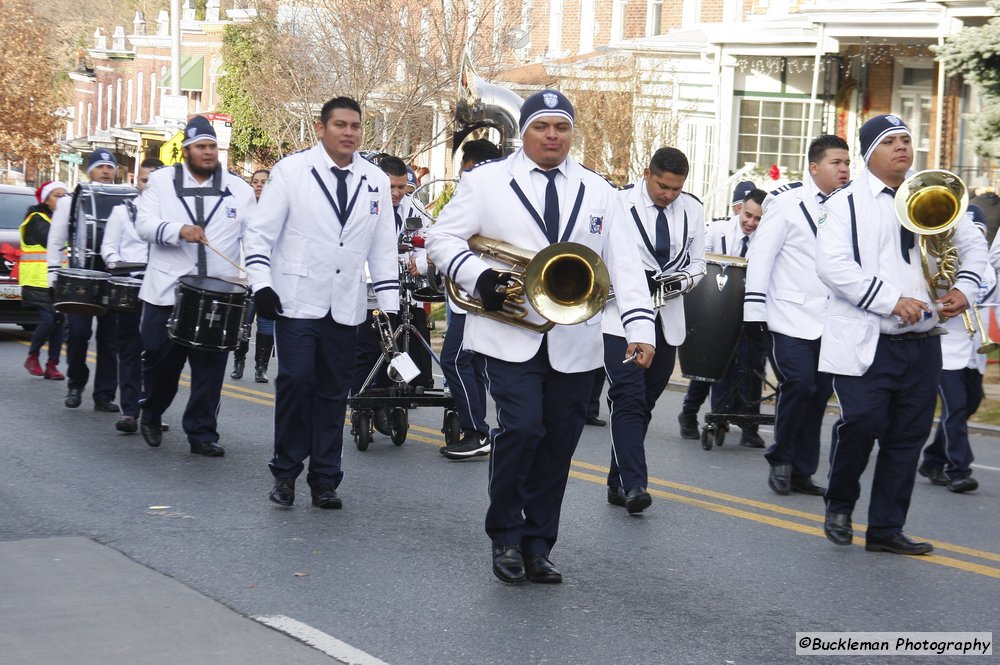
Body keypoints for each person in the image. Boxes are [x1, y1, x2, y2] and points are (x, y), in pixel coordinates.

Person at [426, 89, 656, 584]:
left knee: (558, 445)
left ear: (572, 133)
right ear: (524, 132)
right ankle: (505, 536)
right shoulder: (487, 182)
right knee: (524, 429)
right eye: (541, 127)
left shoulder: (600, 191)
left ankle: (539, 544)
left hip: (577, 342)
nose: (552, 136)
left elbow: (626, 268)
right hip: (510, 336)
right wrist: (476, 275)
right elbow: (441, 238)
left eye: (562, 127)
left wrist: (641, 329)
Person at [816, 114, 987, 555]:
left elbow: (974, 248)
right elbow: (833, 267)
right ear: (870, 152)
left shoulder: (941, 193)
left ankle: (886, 529)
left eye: (907, 140)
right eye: (890, 141)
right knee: (863, 424)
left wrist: (965, 288)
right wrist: (890, 300)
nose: (902, 148)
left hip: (924, 343)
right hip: (869, 338)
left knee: (908, 437)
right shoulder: (844, 203)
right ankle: (839, 502)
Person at [245, 96, 398, 509]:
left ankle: (325, 478)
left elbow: (382, 246)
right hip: (296, 300)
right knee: (296, 382)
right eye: (340, 125)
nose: (349, 133)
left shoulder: (375, 180)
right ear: (320, 128)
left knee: (334, 392)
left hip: (346, 304)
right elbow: (259, 235)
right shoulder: (292, 171)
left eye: (356, 126)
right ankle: (285, 472)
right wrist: (261, 284)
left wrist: (391, 303)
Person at [135, 116, 256, 456]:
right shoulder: (160, 182)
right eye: (201, 146)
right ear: (186, 150)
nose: (207, 152)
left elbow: (256, 236)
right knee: (161, 358)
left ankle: (202, 433)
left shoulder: (240, 189)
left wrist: (258, 274)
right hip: (167, 291)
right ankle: (152, 410)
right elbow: (143, 225)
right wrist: (177, 230)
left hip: (219, 293)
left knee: (209, 367)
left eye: (212, 146)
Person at [743, 135, 851, 496]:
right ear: (815, 167)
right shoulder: (786, 203)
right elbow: (762, 256)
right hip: (788, 314)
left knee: (819, 393)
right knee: (800, 383)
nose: (844, 169)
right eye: (837, 162)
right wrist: (754, 310)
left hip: (831, 317)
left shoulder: (850, 206)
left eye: (847, 163)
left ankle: (803, 470)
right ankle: (781, 460)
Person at [604, 147, 705, 514]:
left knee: (644, 404)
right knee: (628, 397)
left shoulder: (692, 209)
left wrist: (682, 281)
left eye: (676, 189)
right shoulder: (616, 203)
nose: (669, 195)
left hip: (668, 318)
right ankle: (635, 485)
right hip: (622, 318)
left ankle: (618, 478)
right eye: (663, 186)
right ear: (647, 173)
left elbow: (699, 264)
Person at [680, 188, 768, 447]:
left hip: (750, 307)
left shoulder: (766, 238)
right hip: (717, 305)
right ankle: (688, 413)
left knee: (752, 365)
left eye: (758, 219)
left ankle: (748, 426)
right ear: (740, 209)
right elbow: (700, 258)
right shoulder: (718, 230)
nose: (751, 223)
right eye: (748, 215)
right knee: (709, 364)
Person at [918, 206, 995, 494]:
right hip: (946, 346)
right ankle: (959, 470)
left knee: (969, 405)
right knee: (956, 406)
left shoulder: (988, 268)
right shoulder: (939, 263)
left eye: (979, 235)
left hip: (975, 350)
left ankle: (934, 459)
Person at [438, 138, 501, 460]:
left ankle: (477, 430)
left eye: (464, 170)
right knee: (470, 362)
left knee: (455, 359)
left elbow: (453, 240)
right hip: (477, 295)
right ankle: (476, 428)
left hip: (477, 295)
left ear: (471, 167)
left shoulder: (480, 191)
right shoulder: (500, 190)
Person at [46, 150, 120, 412]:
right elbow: (56, 240)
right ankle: (75, 384)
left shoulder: (122, 199)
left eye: (109, 167)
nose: (105, 171)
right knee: (77, 333)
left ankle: (104, 395)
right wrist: (53, 276)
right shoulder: (70, 201)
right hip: (79, 276)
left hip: (112, 276)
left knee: (110, 338)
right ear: (89, 171)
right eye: (99, 166)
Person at [101, 157, 164, 433]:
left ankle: (152, 411)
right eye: (144, 180)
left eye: (155, 180)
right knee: (129, 349)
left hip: (161, 287)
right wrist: (119, 265)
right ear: (136, 182)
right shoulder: (121, 212)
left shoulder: (174, 215)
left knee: (159, 353)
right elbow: (109, 248)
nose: (148, 185)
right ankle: (129, 412)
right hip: (130, 286)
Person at [19, 181, 68, 380]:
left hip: (57, 281)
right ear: (46, 200)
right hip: (37, 281)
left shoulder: (61, 218)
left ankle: (52, 364)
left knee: (58, 322)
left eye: (65, 196)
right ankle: (33, 356)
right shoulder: (35, 219)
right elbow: (50, 238)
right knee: (48, 320)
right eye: (57, 195)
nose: (62, 200)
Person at [232, 169, 275, 382]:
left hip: (269, 280)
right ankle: (238, 362)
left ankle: (261, 368)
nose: (259, 185)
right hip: (245, 277)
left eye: (264, 182)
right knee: (243, 324)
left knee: (267, 324)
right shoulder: (243, 211)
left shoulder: (277, 212)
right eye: (255, 182)